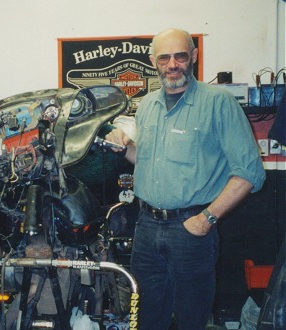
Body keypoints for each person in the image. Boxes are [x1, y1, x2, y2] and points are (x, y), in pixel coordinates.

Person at [106, 28, 266, 329]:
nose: (172, 64)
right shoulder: (148, 105)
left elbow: (249, 173)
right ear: (154, 61)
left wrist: (206, 219)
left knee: (192, 317)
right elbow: (145, 160)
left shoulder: (218, 103)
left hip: (191, 231)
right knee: (147, 316)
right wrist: (125, 147)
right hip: (146, 228)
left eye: (180, 56)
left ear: (193, 56)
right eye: (164, 57)